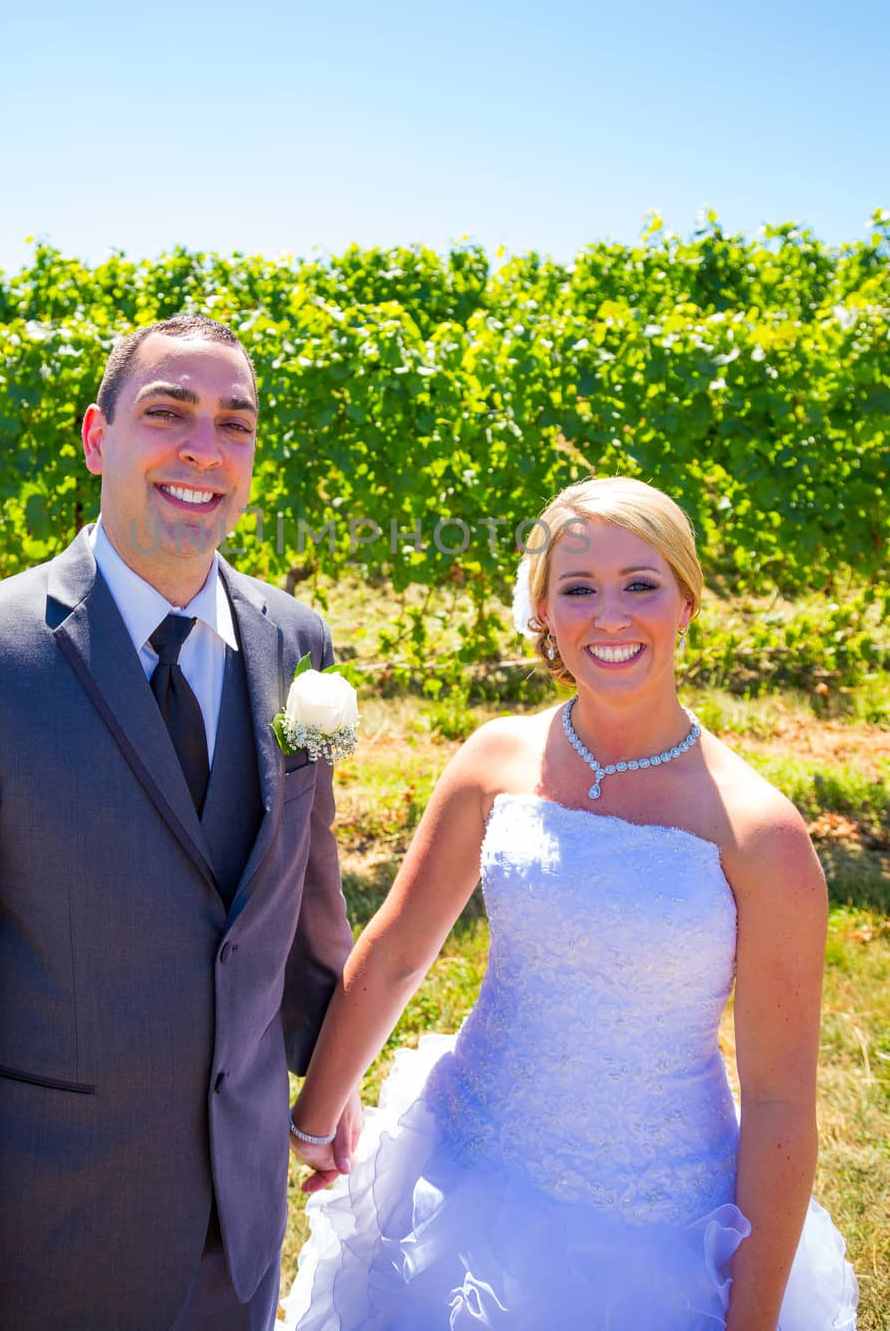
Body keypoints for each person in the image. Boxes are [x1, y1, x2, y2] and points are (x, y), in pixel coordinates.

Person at [0, 313, 357, 1331]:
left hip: (241, 1226)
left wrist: (328, 1074)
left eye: (233, 423)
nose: (203, 450)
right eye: (166, 414)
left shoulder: (297, 641)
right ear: (95, 439)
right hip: (47, 1234)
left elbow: (303, 902)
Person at [282, 476, 859, 1330]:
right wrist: (312, 1117)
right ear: (543, 611)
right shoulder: (494, 759)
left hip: (658, 1216)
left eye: (641, 585)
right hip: (463, 1164)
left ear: (685, 604)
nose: (610, 616)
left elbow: (777, 1099)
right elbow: (401, 949)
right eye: (578, 589)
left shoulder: (758, 831)